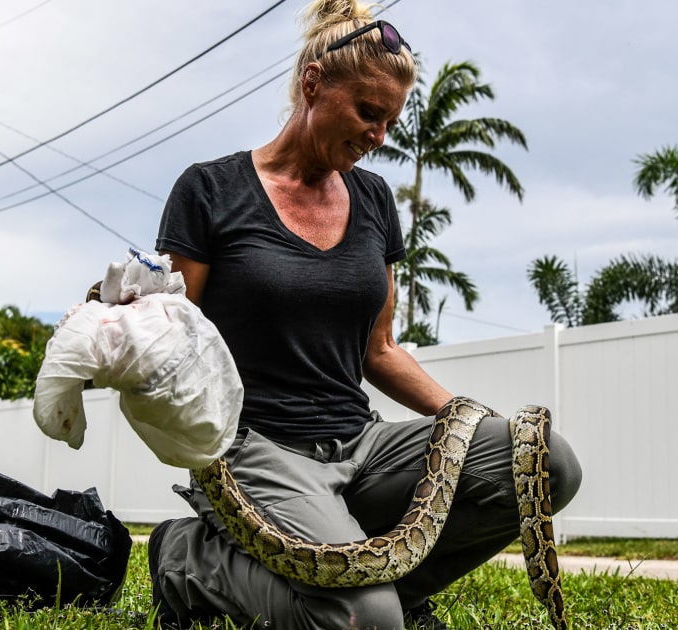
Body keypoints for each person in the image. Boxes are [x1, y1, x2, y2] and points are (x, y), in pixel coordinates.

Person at [146, 1, 582, 628]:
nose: (380, 136)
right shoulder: (210, 190)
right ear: (314, 84)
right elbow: (173, 335)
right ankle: (187, 559)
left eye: (390, 121)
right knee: (364, 624)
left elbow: (380, 349)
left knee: (544, 462)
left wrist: (468, 425)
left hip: (361, 442)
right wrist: (122, 323)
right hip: (256, 449)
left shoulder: (374, 200)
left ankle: (387, 589)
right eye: (368, 113)